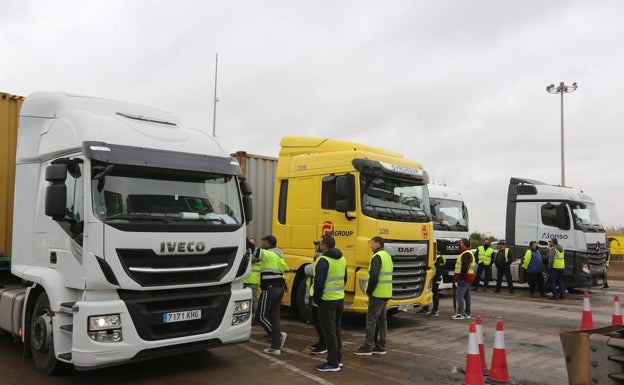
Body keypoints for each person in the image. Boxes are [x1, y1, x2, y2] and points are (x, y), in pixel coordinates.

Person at [354, 236, 394, 355]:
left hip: (377, 293)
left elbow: (374, 276)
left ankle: (367, 346)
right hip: (386, 293)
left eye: (372, 243)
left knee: (371, 320)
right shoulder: (387, 256)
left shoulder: (377, 257)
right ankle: (381, 346)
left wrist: (369, 291)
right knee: (382, 320)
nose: (370, 246)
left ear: (378, 244)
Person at [313, 234, 346, 372]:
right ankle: (338, 359)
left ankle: (332, 363)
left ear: (324, 245)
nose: (319, 245)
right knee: (336, 330)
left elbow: (319, 283)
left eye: (320, 243)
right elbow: (345, 279)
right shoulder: (342, 259)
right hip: (339, 299)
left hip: (327, 301)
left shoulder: (323, 260)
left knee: (329, 332)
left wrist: (316, 299)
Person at [258, 235, 289, 355]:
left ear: (268, 243)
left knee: (260, 316)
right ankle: (275, 347)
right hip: (278, 289)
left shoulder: (268, 254)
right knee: (274, 316)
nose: (262, 243)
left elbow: (253, 249)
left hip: (270, 289)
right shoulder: (278, 255)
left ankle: (278, 336)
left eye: (264, 241)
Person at [305, 241, 326, 355]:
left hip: (319, 296)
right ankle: (321, 342)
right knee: (316, 321)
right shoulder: (318, 257)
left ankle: (324, 345)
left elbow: (309, 270)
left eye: (317, 244)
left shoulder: (321, 259)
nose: (315, 247)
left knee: (320, 322)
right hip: (316, 295)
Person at [451, 238, 475, 320]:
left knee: (459, 296)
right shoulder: (468, 253)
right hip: (468, 278)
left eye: (461, 243)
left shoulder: (466, 254)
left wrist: (461, 278)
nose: (459, 244)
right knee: (467, 296)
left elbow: (465, 267)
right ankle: (466, 313)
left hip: (465, 278)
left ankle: (460, 313)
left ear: (464, 244)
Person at [243, 237, 260, 322]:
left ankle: (255, 317)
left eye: (252, 244)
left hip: (252, 281)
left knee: (254, 299)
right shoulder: (247, 252)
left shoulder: (257, 254)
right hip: (245, 280)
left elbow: (249, 260)